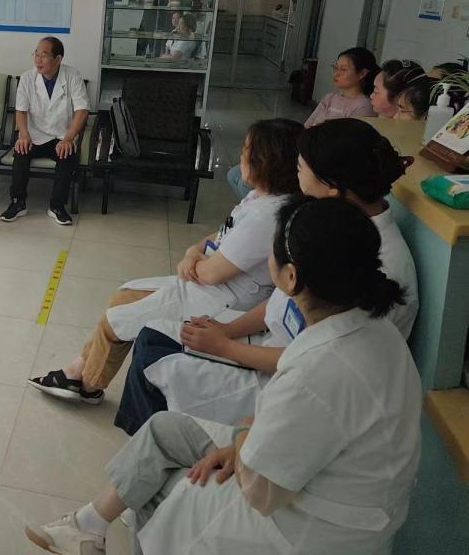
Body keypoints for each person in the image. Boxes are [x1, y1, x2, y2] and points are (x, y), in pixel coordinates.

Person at [26, 197, 420, 555]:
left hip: (305, 527)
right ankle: (86, 529)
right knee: (164, 429)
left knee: (163, 494)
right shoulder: (371, 329)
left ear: (291, 278)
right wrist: (246, 440)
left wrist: (243, 436)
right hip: (308, 474)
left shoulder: (317, 371)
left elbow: (261, 490)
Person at [119, 118, 418, 433]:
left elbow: (318, 361)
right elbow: (280, 302)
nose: (295, 177)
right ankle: (152, 442)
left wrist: (224, 346)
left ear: (331, 186)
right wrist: (227, 330)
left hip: (286, 384)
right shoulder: (330, 226)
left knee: (154, 361)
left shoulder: (376, 263)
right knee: (152, 337)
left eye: (300, 169)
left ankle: (166, 446)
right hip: (269, 343)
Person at [28, 118, 302, 405]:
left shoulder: (265, 218)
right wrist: (193, 251)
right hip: (205, 283)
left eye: (247, 149)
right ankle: (79, 374)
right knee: (123, 296)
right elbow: (221, 234)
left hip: (221, 300)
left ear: (266, 161)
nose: (241, 155)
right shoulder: (260, 197)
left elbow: (212, 274)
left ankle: (86, 384)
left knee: (114, 321)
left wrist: (192, 261)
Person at [226, 47, 378, 199]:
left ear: (362, 73)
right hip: (306, 152)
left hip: (320, 163)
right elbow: (307, 126)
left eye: (343, 69)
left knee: (247, 182)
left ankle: (269, 207)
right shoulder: (330, 98)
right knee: (235, 174)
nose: (336, 73)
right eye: (335, 67)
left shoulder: (362, 106)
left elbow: (346, 145)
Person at [0, 37, 89, 226]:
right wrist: (24, 135)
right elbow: (21, 111)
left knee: (67, 156)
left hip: (61, 136)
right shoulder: (27, 78)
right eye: (36, 54)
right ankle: (17, 202)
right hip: (34, 136)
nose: (38, 60)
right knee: (20, 152)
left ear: (58, 59)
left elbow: (81, 111)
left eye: (44, 55)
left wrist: (68, 139)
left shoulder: (72, 76)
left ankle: (57, 206)